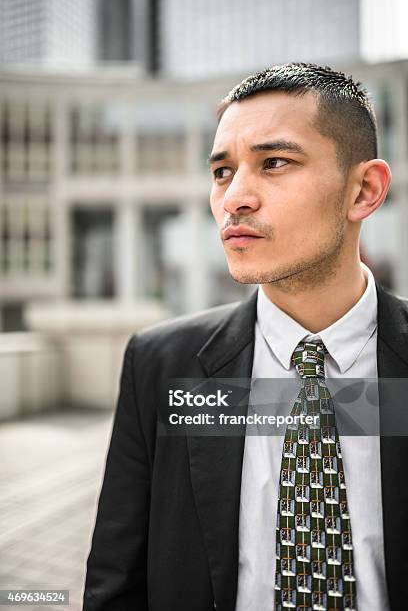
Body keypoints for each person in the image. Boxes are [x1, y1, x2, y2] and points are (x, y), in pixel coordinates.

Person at [82, 63, 408, 611]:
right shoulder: (162, 365)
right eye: (221, 172)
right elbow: (116, 583)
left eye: (274, 162)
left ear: (364, 190)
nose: (234, 198)